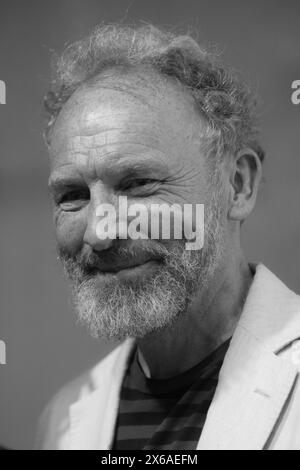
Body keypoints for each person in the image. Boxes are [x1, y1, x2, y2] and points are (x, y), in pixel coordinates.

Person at [37, 23, 300, 450]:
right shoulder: (62, 422)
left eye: (138, 183)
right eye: (72, 196)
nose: (100, 232)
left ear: (237, 186)